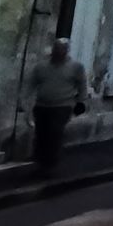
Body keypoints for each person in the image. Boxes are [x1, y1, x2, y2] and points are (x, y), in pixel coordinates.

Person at [27, 37, 88, 173]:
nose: (59, 52)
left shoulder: (76, 67)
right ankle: (40, 162)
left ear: (67, 51)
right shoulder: (42, 66)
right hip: (42, 105)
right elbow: (32, 83)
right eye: (56, 48)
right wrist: (24, 100)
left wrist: (81, 102)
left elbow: (82, 85)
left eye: (62, 49)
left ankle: (49, 164)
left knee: (54, 133)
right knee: (41, 134)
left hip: (62, 106)